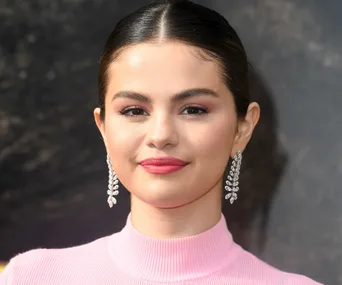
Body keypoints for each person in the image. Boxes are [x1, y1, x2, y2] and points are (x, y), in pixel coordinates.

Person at [0, 0, 322, 284]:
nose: (161, 135)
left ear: (243, 127)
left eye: (193, 109)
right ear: (103, 127)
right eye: (135, 110)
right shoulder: (32, 277)